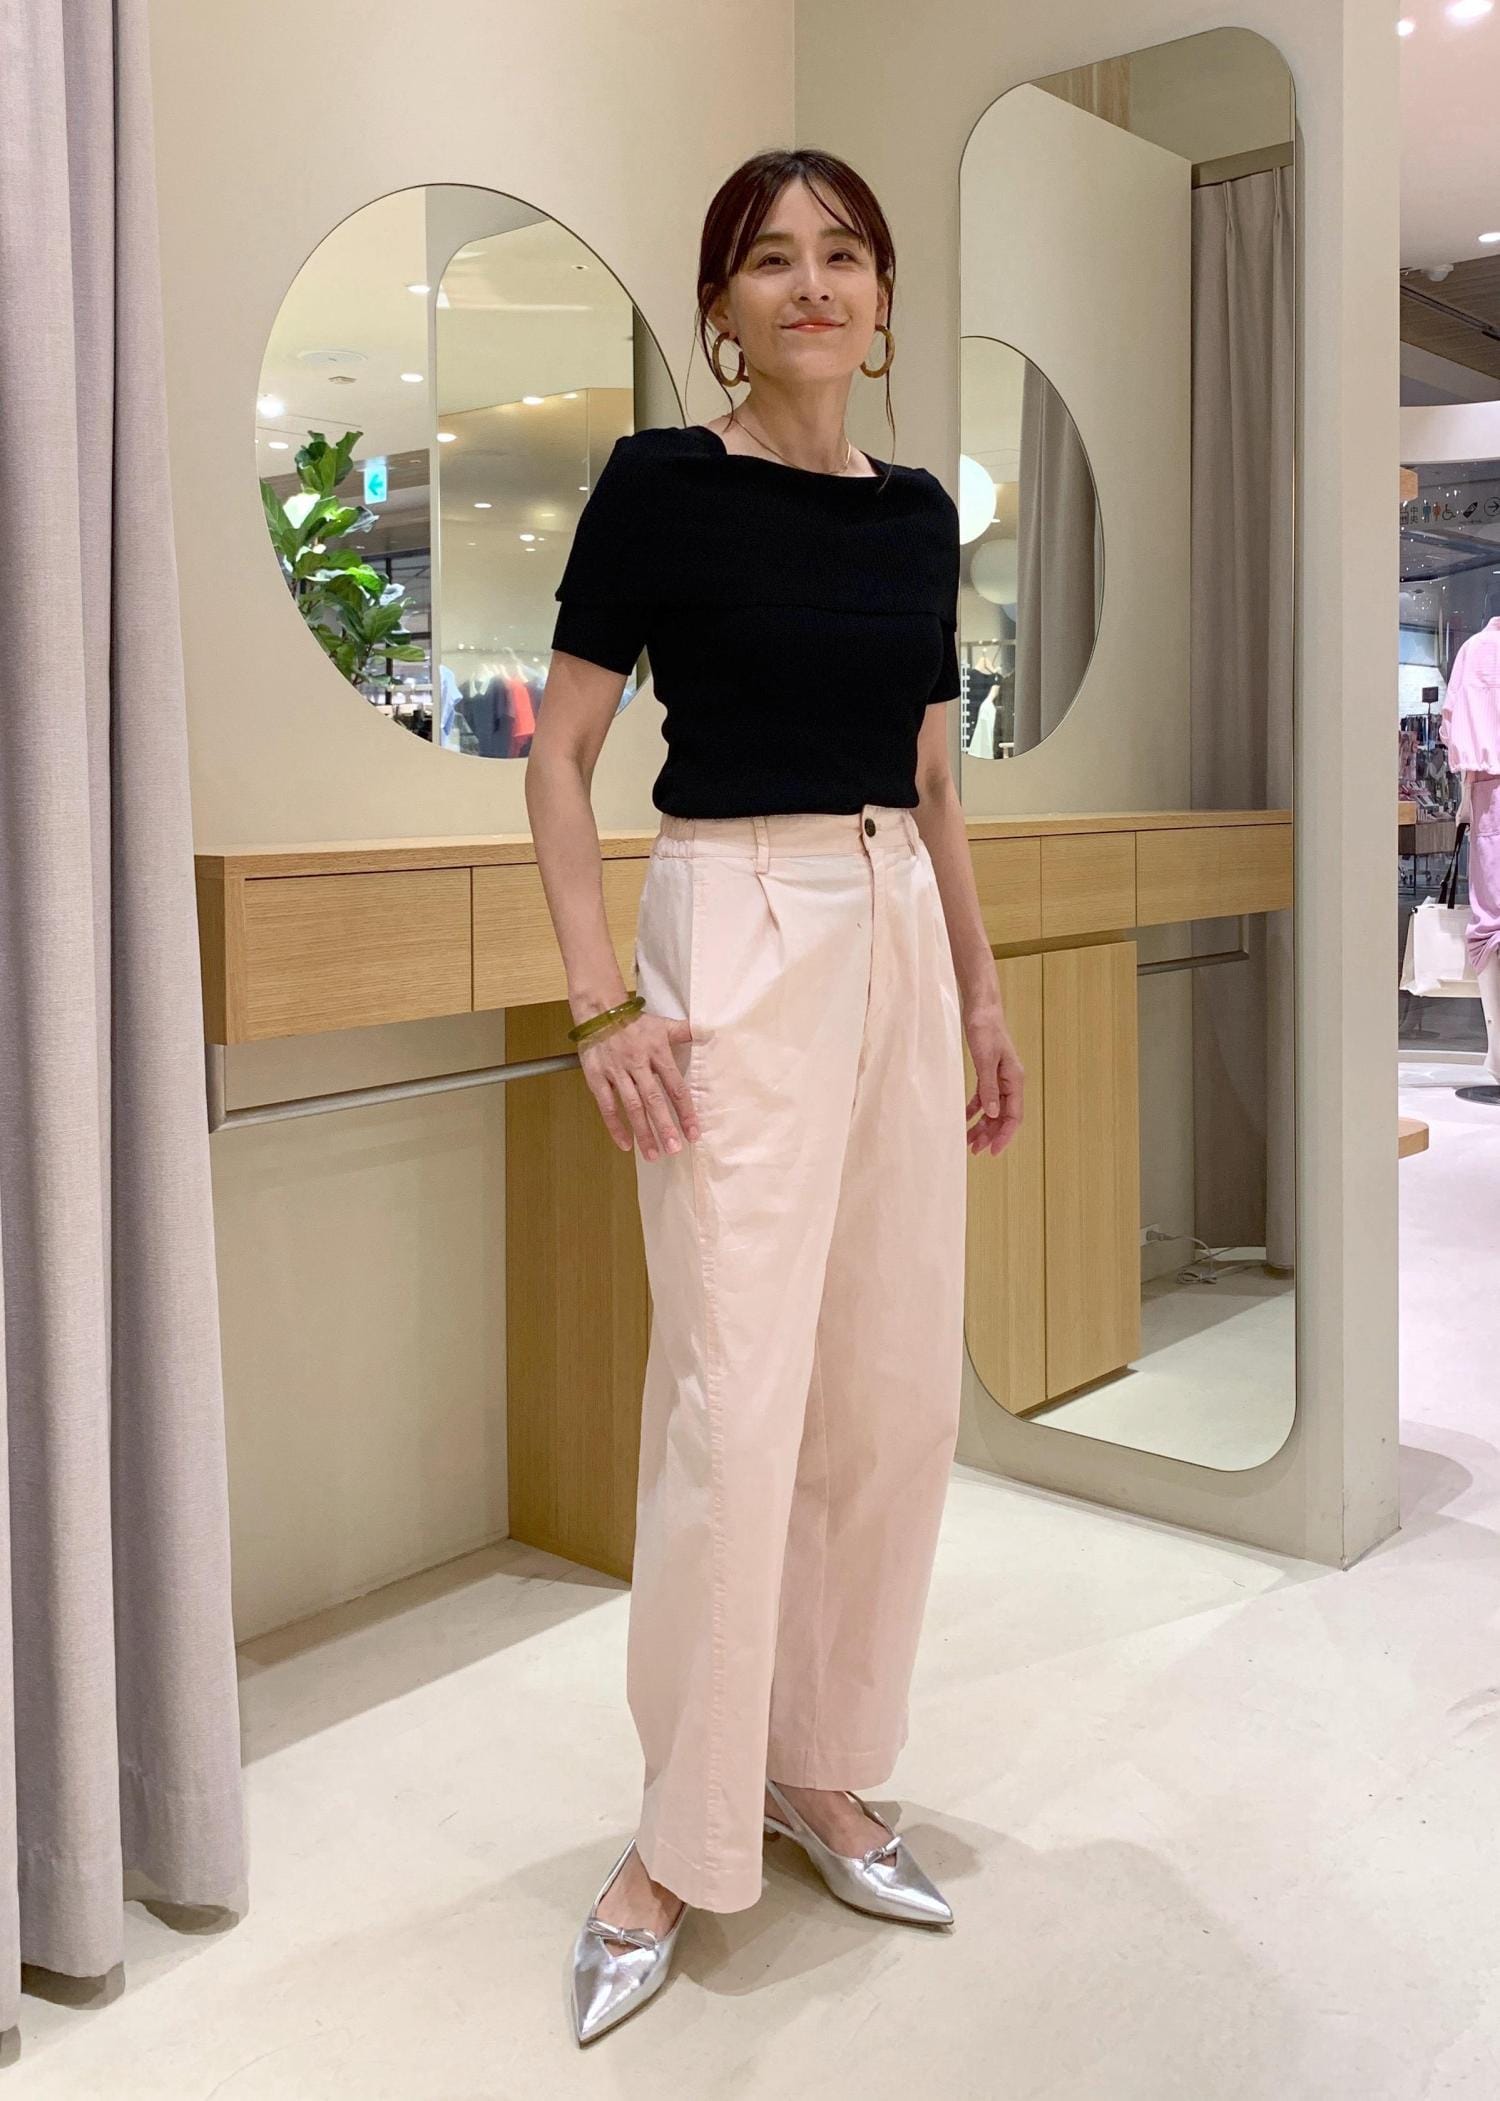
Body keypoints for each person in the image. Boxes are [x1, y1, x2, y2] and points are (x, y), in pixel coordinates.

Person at [524, 146, 1024, 2046]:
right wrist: (600, 1002)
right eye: (769, 257)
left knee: (891, 1384)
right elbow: (563, 754)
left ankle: (820, 1761)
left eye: (842, 254)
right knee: (735, 1399)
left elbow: (936, 776)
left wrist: (981, 988)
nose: (811, 282)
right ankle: (675, 1833)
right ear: (722, 305)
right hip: (731, 911)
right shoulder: (661, 484)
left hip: (894, 915)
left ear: (881, 300)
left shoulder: (917, 516)